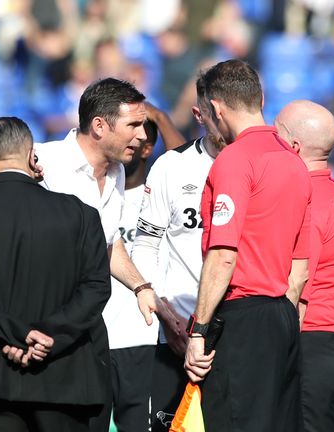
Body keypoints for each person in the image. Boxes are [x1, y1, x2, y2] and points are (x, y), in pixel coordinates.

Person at [0, 117, 110, 431]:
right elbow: (96, 288)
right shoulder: (80, 214)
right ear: (32, 156)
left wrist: (16, 333)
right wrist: (46, 336)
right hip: (65, 377)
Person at [182, 59, 311, 432]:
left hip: (241, 316)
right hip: (281, 317)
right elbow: (298, 268)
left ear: (216, 109)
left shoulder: (234, 160)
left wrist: (199, 331)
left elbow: (223, 254)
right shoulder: (295, 162)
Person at [34, 77, 165, 431]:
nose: (142, 135)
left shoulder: (118, 171)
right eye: (134, 125)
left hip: (89, 331)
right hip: (44, 330)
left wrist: (140, 287)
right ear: (99, 126)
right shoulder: (42, 161)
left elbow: (107, 245)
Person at [131, 74, 225, 431]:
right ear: (200, 115)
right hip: (176, 334)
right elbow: (146, 244)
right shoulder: (173, 166)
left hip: (238, 332)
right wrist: (165, 313)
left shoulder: (262, 165)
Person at [274, 100, 334, 432]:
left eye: (276, 135)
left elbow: (297, 285)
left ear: (292, 145)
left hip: (311, 344)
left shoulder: (305, 199)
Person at [104, 116, 184, 432]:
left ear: (148, 147)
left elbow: (186, 163)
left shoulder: (161, 193)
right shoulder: (100, 190)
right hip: (97, 339)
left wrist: (161, 117)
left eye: (139, 132)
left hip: (145, 339)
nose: (131, 137)